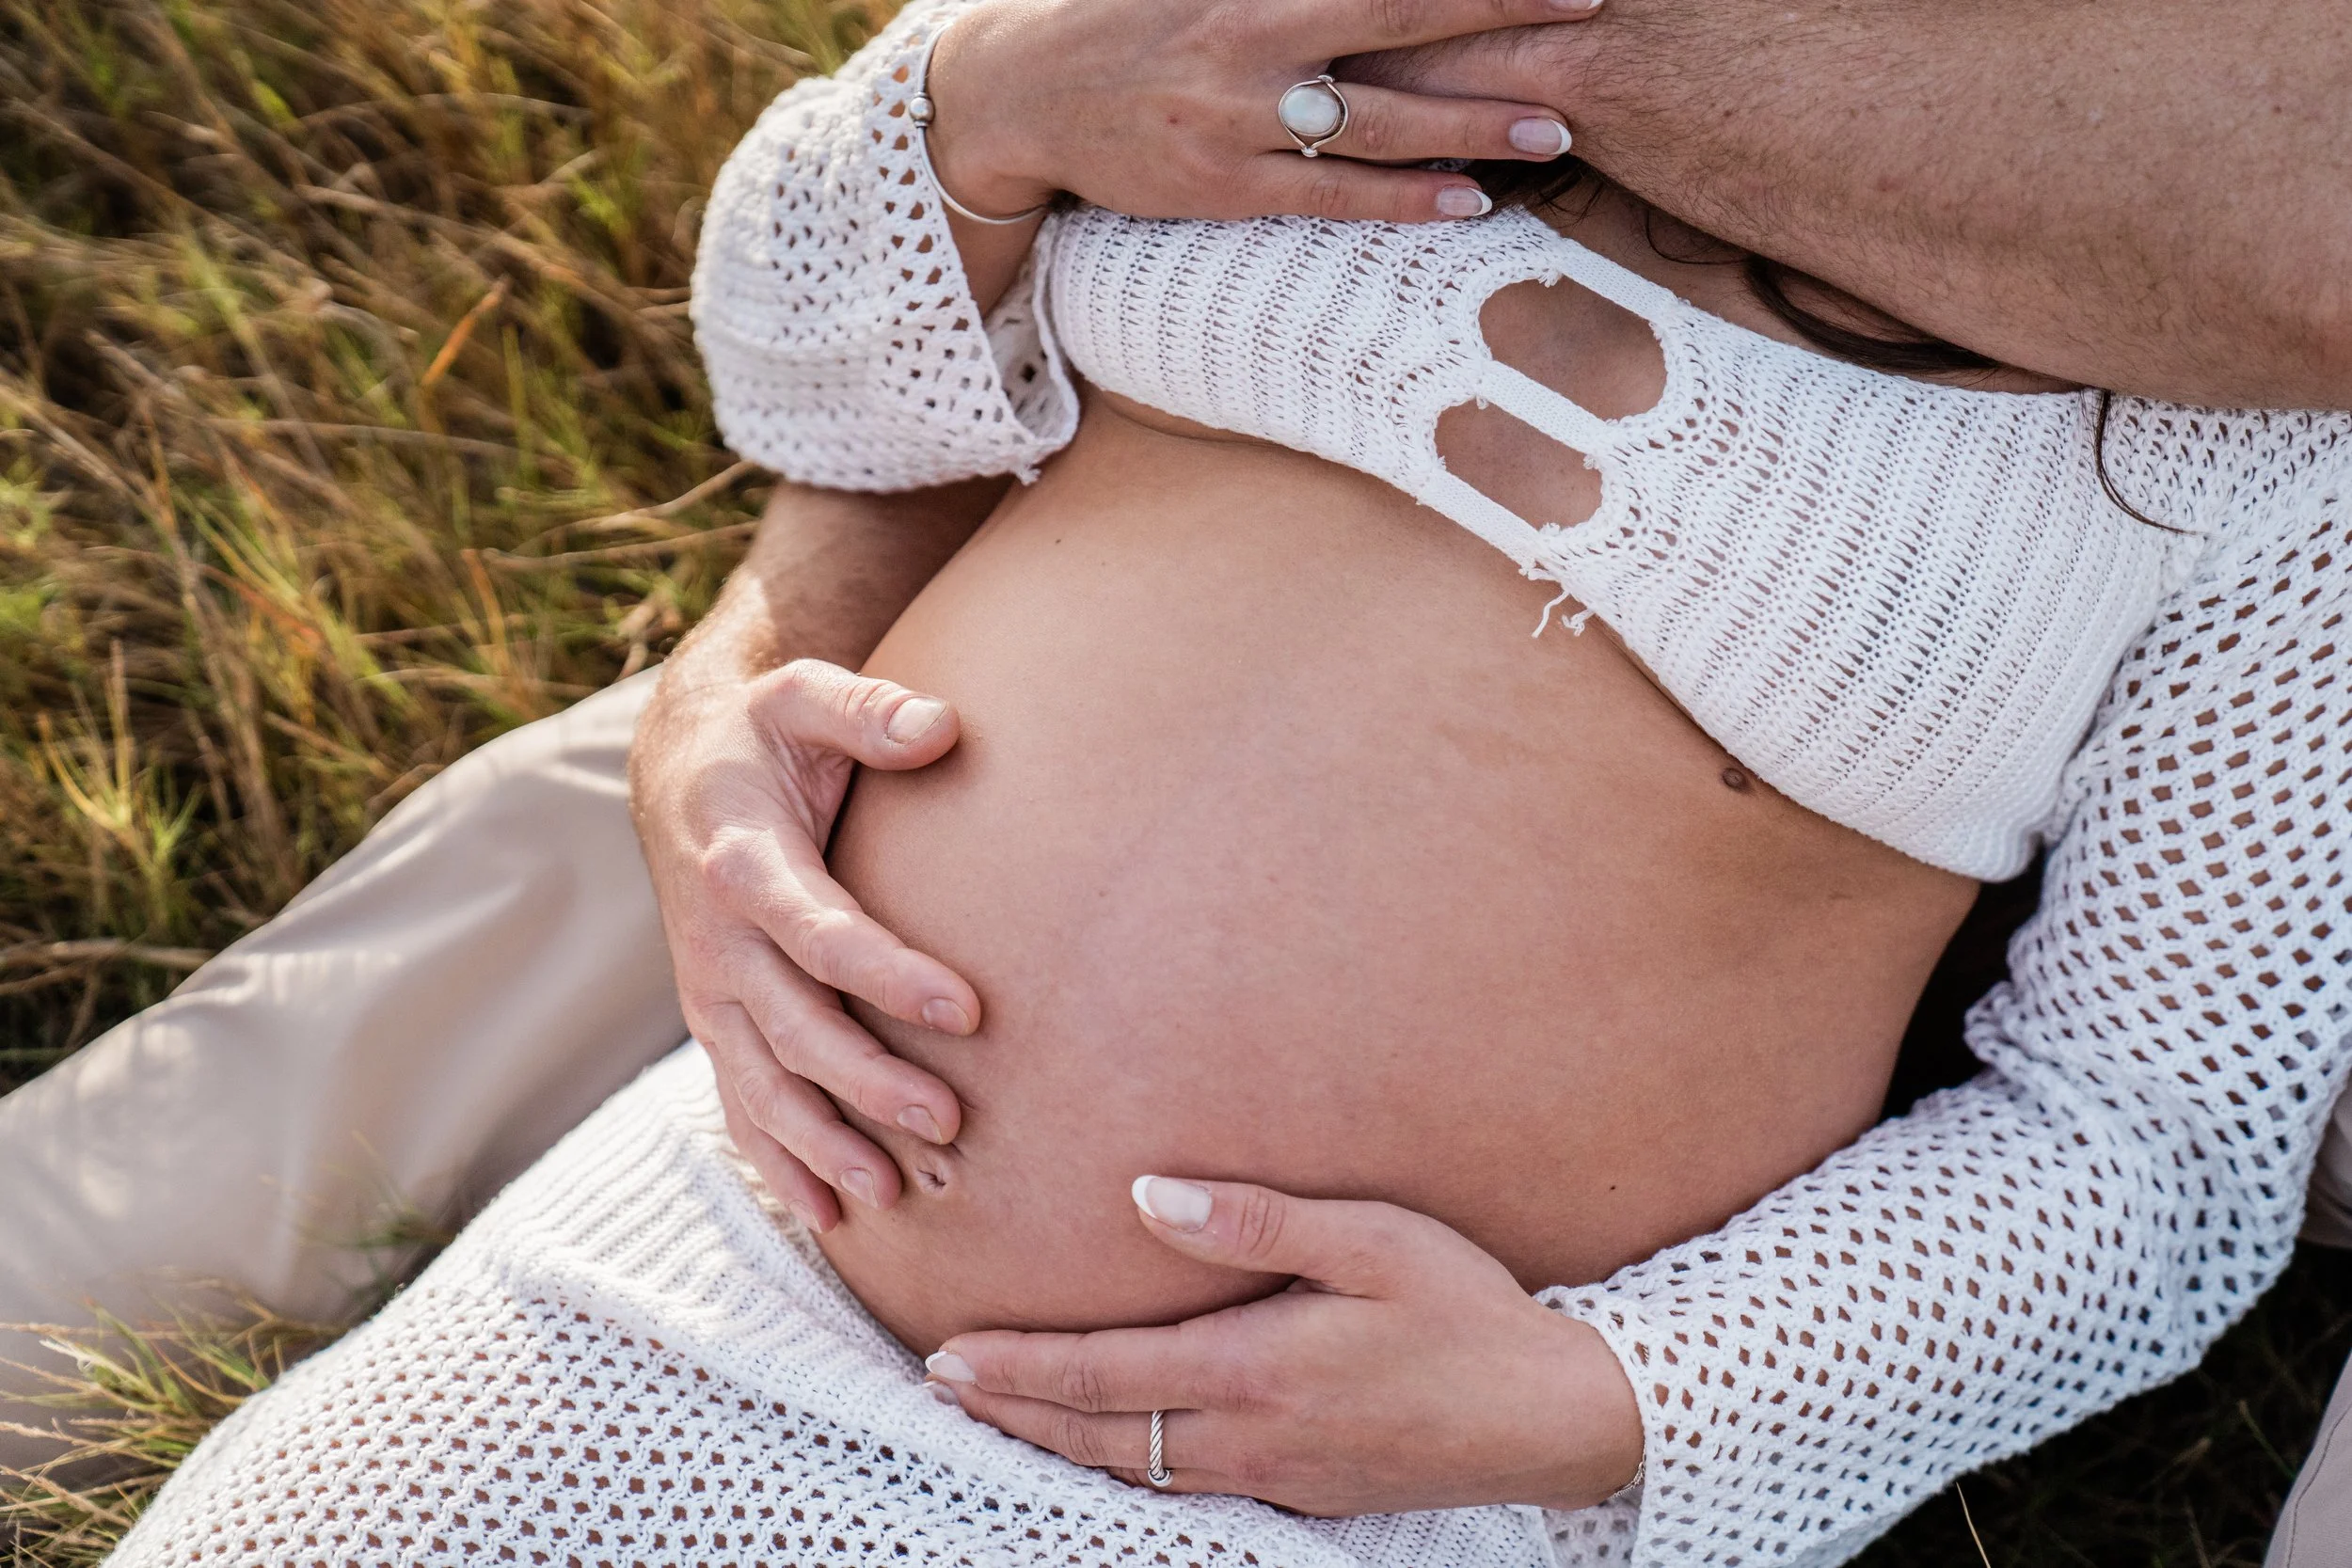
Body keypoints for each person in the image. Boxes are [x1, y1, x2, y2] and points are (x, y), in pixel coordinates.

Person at [7, 1, 2350, 1562]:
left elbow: (2153, 1147)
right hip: (684, 1258)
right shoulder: (1337, 42)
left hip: (1303, 1494)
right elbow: (821, 339)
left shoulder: (2252, 442)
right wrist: (989, 105)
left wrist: (1597, 1398)